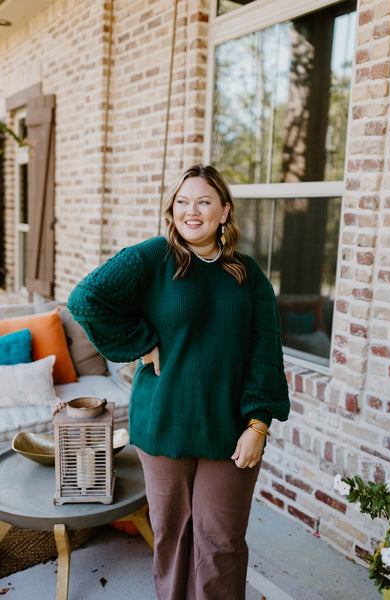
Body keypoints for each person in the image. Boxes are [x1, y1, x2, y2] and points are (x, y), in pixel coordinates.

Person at [67, 163, 290, 600]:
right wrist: (141, 341)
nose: (192, 211)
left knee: (221, 541)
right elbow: (85, 298)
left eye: (204, 201)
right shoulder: (153, 258)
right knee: (171, 534)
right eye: (182, 202)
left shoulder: (248, 276)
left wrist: (259, 425)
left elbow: (266, 353)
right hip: (164, 421)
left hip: (230, 431)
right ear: (172, 210)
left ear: (223, 211)